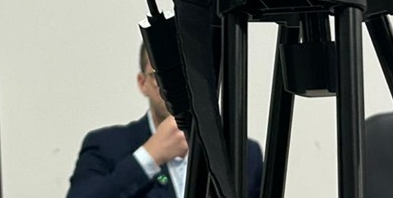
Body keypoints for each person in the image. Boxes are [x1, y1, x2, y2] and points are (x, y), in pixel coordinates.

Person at [66, 43, 263, 198]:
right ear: (142, 83)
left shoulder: (245, 154)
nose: (176, 85)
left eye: (186, 74)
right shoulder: (107, 146)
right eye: (161, 76)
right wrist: (148, 157)